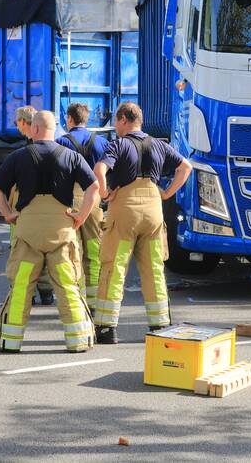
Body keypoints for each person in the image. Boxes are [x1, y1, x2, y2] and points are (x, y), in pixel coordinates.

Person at [0, 110, 99, 353]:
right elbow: (94, 186)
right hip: (61, 227)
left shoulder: (19, 156)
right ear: (54, 129)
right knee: (67, 284)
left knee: (22, 285)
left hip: (28, 228)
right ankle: (78, 340)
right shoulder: (71, 156)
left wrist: (8, 213)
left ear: (35, 129)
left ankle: (10, 341)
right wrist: (81, 216)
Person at [92, 102, 192, 344]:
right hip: (153, 211)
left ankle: (106, 328)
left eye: (116, 122)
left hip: (126, 209)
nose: (115, 127)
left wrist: (105, 194)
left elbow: (99, 168)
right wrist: (167, 193)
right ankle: (160, 325)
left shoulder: (119, 144)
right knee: (154, 268)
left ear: (124, 120)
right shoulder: (159, 144)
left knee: (114, 267)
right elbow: (185, 167)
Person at [57, 102, 109, 308]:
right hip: (94, 199)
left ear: (70, 119)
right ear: (86, 119)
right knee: (94, 250)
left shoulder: (61, 142)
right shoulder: (102, 143)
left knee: (73, 251)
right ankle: (95, 301)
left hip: (70, 199)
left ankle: (77, 300)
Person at [11, 105, 56, 306]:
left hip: (26, 204)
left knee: (23, 249)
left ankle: (26, 293)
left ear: (24, 122)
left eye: (16, 122)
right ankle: (46, 291)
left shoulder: (23, 150)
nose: (17, 126)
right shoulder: (52, 145)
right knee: (46, 248)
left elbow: (0, 183)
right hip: (49, 205)